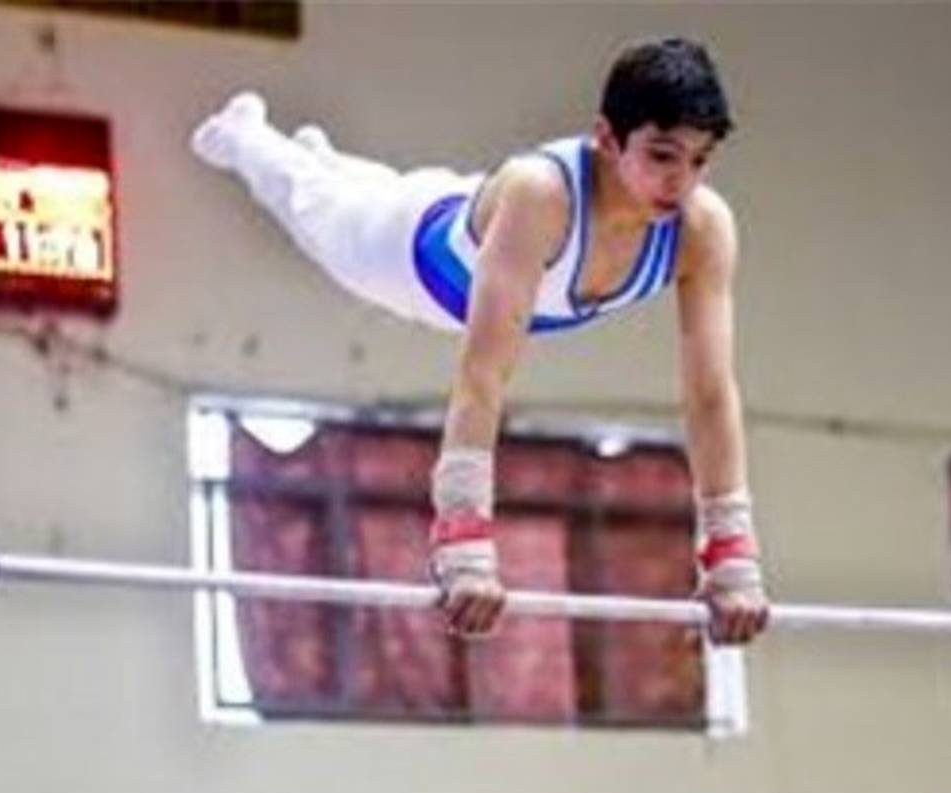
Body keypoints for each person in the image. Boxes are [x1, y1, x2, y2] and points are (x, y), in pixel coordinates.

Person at [191, 36, 769, 646]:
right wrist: (462, 535)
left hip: (479, 227)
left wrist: (731, 555)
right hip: (405, 255)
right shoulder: (542, 197)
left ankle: (323, 160)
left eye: (700, 160)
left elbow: (710, 394)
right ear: (606, 137)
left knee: (352, 188)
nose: (681, 181)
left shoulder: (701, 229)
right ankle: (246, 135)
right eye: (662, 155)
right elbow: (484, 374)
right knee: (316, 211)